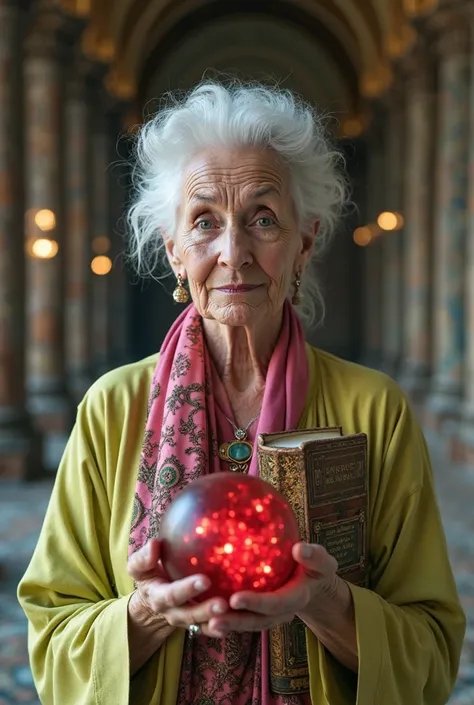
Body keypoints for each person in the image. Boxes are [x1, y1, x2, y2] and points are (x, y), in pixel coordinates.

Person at [18, 80, 465, 705]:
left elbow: (432, 651)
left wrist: (323, 598)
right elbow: (53, 637)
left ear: (303, 244)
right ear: (175, 253)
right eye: (205, 223)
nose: (234, 253)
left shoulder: (374, 409)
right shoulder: (113, 406)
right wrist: (150, 611)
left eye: (262, 218)